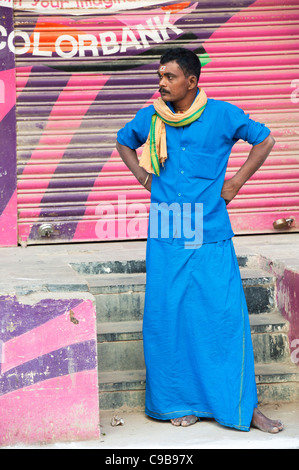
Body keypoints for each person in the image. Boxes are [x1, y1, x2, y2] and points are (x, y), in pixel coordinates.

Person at [116, 48, 283, 433]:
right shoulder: (151, 117)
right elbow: (124, 141)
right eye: (159, 75)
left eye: (169, 76)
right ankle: (177, 401)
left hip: (209, 227)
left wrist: (235, 183)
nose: (161, 83)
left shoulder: (223, 114)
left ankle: (241, 405)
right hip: (168, 228)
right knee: (167, 315)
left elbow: (265, 141)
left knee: (225, 317)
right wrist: (144, 178)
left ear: (191, 80)